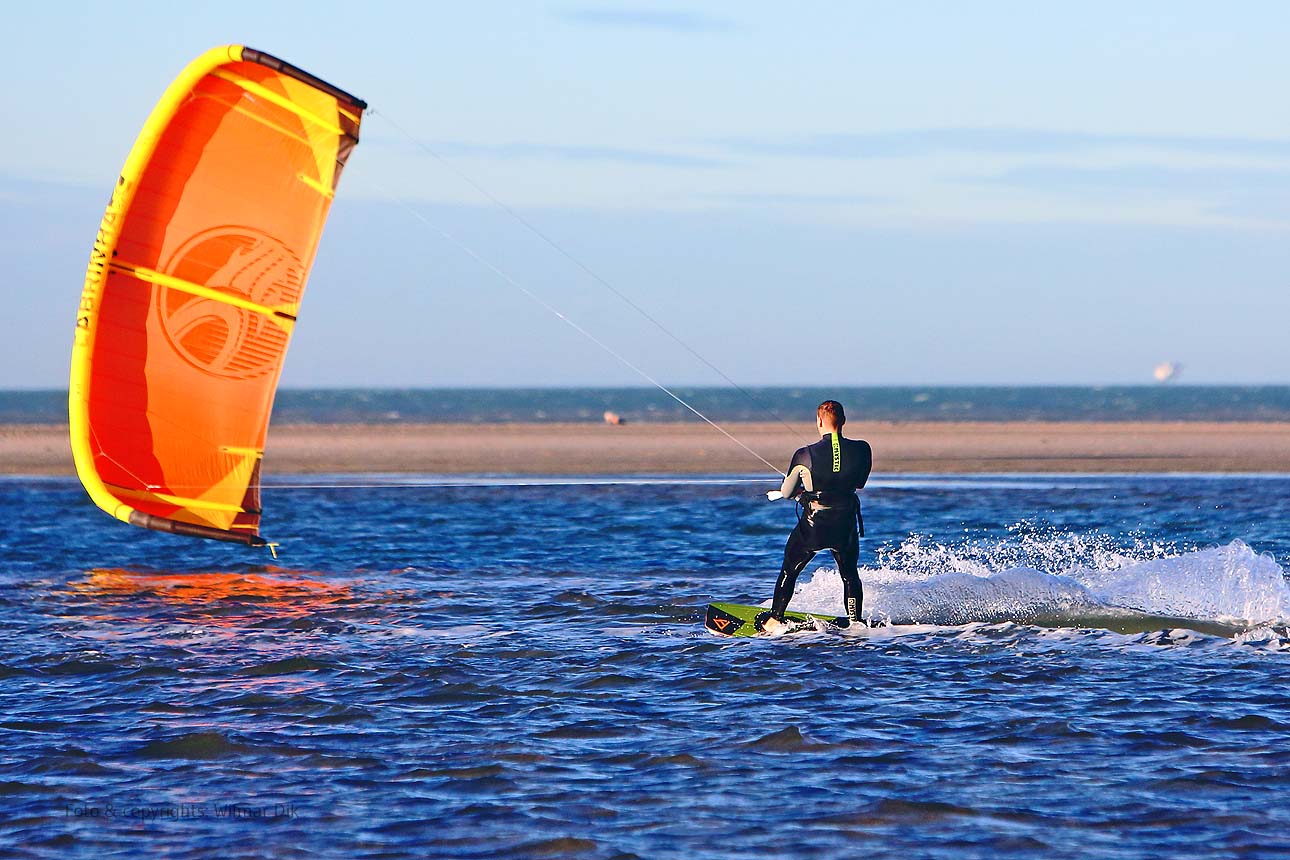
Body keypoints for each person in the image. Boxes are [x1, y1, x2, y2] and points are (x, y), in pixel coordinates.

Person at [758, 400, 871, 634]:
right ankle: (855, 622)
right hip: (845, 523)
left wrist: (801, 490)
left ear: (819, 421)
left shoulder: (804, 454)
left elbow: (787, 493)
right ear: (844, 421)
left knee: (790, 570)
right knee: (849, 575)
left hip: (814, 526)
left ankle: (774, 619)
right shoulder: (863, 449)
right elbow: (859, 483)